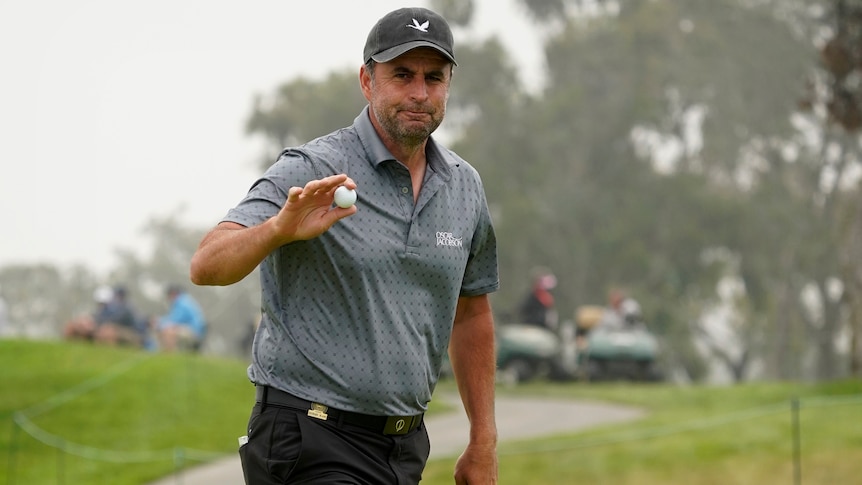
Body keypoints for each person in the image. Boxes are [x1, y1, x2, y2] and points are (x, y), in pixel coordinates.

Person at [190, 7, 499, 485]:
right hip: (309, 437)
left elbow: (471, 312)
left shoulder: (464, 187)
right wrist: (278, 229)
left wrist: (483, 441)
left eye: (433, 78)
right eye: (402, 75)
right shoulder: (312, 166)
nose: (419, 92)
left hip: (404, 449)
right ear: (367, 80)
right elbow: (206, 264)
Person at [156, 284, 207, 352]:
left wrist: (159, 323)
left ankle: (169, 355)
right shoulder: (184, 300)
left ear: (173, 294)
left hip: (194, 332)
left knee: (169, 331)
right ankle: (166, 354)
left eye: (169, 295)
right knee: (167, 329)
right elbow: (173, 318)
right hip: (192, 330)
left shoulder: (182, 302)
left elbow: (175, 320)